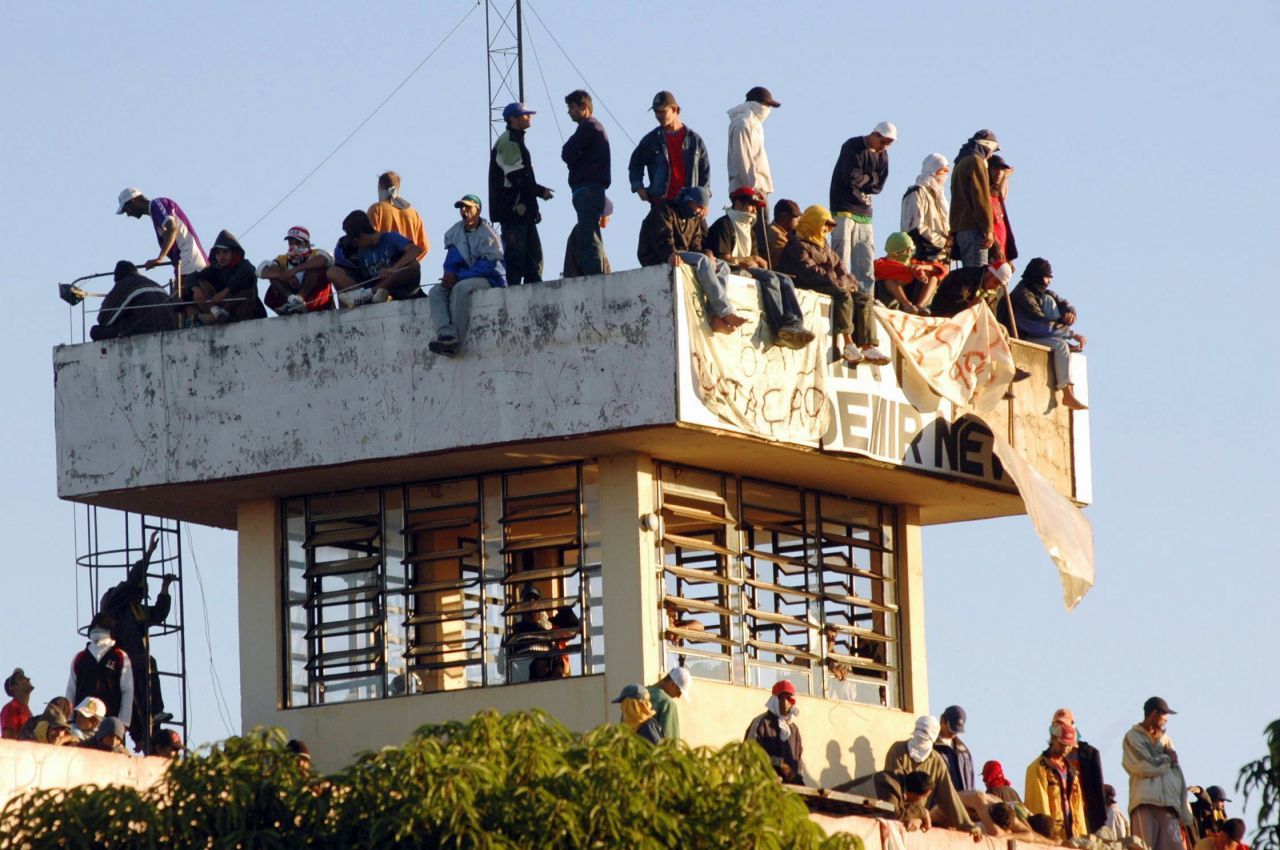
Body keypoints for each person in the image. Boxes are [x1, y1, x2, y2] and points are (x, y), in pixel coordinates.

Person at [705, 187, 814, 348]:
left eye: (755, 206)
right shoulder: (724, 224)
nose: (754, 210)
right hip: (731, 269)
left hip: (746, 269)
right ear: (738, 203)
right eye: (751, 205)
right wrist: (750, 260)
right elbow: (724, 257)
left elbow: (760, 261)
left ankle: (794, 322)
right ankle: (779, 329)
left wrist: (755, 260)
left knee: (784, 279)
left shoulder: (749, 228)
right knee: (770, 278)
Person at [782, 205, 890, 366]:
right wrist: (840, 283)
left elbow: (843, 270)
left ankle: (868, 346)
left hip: (830, 284)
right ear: (813, 222)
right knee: (843, 295)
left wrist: (846, 282)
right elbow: (810, 272)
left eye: (829, 226)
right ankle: (848, 343)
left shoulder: (823, 245)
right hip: (806, 284)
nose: (826, 229)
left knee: (863, 298)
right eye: (824, 224)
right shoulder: (796, 245)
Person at [98, 530, 177, 751]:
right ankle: (139, 734)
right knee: (130, 700)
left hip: (137, 658)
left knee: (145, 682)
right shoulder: (115, 601)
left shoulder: (135, 609)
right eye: (140, 593)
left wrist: (164, 590)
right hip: (120, 659)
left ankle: (151, 726)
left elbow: (158, 614)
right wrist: (149, 553)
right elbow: (133, 579)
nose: (141, 597)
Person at [636, 186, 748, 334]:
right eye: (699, 207)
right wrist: (669, 254)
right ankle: (725, 311)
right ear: (689, 201)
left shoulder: (693, 220)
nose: (701, 212)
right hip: (658, 255)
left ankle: (715, 316)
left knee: (722, 267)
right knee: (703, 261)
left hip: (683, 254)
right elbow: (663, 236)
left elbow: (696, 245)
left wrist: (708, 253)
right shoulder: (665, 208)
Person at [427, 194, 506, 356]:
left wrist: (459, 277)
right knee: (436, 291)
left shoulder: (488, 235)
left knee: (461, 288)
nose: (464, 211)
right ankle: (445, 333)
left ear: (478, 210)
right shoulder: (455, 234)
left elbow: (489, 266)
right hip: (462, 277)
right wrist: (449, 276)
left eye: (468, 207)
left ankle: (454, 341)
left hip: (489, 279)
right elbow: (450, 262)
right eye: (461, 208)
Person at [877, 716, 980, 836]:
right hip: (897, 815)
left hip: (920, 822)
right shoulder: (898, 750)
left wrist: (967, 826)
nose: (920, 742)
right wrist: (916, 813)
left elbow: (948, 797)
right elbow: (893, 790)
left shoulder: (936, 761)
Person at [1009, 258, 1089, 411]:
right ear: (1037, 276)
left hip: (1043, 332)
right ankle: (1067, 394)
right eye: (1046, 278)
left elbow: (1063, 302)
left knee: (1049, 300)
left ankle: (1059, 339)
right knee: (1060, 345)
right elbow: (1040, 326)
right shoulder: (1023, 295)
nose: (1048, 282)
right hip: (1025, 335)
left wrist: (1069, 313)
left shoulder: (1042, 293)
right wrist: (1071, 334)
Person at [490, 102, 554, 286]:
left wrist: (533, 207)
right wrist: (540, 191)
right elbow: (517, 178)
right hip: (513, 211)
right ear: (513, 119)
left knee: (533, 259)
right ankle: (514, 296)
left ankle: (531, 295)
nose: (529, 117)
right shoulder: (509, 142)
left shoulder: (515, 140)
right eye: (525, 115)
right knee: (517, 257)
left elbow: (521, 179)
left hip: (521, 210)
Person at [829, 121, 896, 295]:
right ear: (875, 135)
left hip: (865, 212)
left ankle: (865, 300)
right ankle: (841, 295)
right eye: (882, 142)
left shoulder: (883, 155)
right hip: (844, 208)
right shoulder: (853, 146)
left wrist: (866, 179)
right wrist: (871, 178)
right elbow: (851, 178)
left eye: (889, 144)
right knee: (841, 257)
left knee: (865, 262)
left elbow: (879, 186)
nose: (884, 147)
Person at [1124, 697, 1193, 850]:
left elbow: (1177, 774)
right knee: (1143, 847)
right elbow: (1142, 766)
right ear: (1154, 713)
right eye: (1164, 714)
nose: (1167, 719)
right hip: (1145, 803)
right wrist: (1166, 758)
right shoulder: (1133, 737)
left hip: (1169, 806)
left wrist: (1185, 811)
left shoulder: (1167, 740)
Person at [560, 90, 611, 277]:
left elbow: (567, 153)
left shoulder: (589, 127)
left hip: (587, 189)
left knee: (589, 235)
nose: (569, 112)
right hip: (586, 190)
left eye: (572, 107)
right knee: (586, 232)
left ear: (584, 107)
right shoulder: (591, 128)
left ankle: (594, 275)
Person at [628, 91, 710, 204]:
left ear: (674, 109)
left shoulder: (695, 141)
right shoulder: (651, 140)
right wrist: (639, 188)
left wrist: (703, 202)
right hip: (661, 205)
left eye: (662, 111)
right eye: (656, 112)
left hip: (689, 206)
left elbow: (705, 174)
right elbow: (635, 164)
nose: (658, 116)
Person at [727, 86, 780, 259]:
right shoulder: (744, 123)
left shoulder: (753, 123)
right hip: (749, 189)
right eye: (766, 105)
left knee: (758, 231)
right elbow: (744, 159)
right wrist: (753, 190)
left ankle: (759, 262)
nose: (767, 110)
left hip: (757, 187)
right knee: (757, 231)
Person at [116, 188, 209, 285]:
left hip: (191, 263)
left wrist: (160, 258)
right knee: (175, 298)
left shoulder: (157, 204)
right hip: (184, 264)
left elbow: (172, 229)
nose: (128, 214)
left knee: (180, 298)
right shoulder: (154, 213)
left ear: (133, 201)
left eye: (126, 209)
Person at [337, 210, 422, 307]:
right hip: (383, 291)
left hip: (403, 286)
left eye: (355, 241)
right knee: (334, 272)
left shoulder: (391, 238)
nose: (355, 244)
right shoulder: (362, 252)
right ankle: (369, 295)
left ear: (362, 236)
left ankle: (366, 294)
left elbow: (415, 250)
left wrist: (393, 268)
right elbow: (366, 276)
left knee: (414, 264)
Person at [1025, 714, 1088, 840]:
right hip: (1053, 837)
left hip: (1072, 837)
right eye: (1062, 744)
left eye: (1069, 745)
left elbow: (1078, 809)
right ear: (1053, 738)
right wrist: (1047, 835)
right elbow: (1039, 805)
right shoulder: (1038, 767)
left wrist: (1082, 838)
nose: (1066, 748)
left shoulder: (1072, 772)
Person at [187, 230, 268, 325]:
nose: (221, 257)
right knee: (200, 281)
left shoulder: (244, 265)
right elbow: (192, 276)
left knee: (247, 288)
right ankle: (216, 313)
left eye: (225, 252)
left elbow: (249, 273)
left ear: (233, 252)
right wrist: (196, 289)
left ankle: (221, 314)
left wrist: (224, 292)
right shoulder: (215, 269)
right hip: (220, 311)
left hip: (247, 313)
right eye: (218, 253)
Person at [67, 613, 133, 729]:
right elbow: (71, 690)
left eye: (101, 627)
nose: (97, 630)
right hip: (81, 722)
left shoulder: (120, 656)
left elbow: (127, 690)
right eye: (94, 627)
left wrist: (123, 722)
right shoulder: (80, 657)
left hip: (110, 724)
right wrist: (70, 719)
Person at [950, 130, 1001, 267]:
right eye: (992, 151)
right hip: (973, 229)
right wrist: (988, 229)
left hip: (960, 229)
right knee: (975, 277)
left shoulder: (960, 163)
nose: (990, 156)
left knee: (968, 275)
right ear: (987, 146)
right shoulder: (975, 161)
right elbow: (980, 198)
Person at [90, 261, 178, 340]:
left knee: (96, 331)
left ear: (118, 277)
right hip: (170, 329)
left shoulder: (125, 284)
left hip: (144, 330)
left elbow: (105, 319)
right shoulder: (156, 284)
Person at [257, 226, 335, 315]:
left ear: (307, 243)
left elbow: (324, 259)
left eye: (298, 243)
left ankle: (299, 300)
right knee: (273, 275)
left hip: (316, 300)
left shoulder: (316, 253)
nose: (294, 246)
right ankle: (293, 301)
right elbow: (261, 270)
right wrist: (284, 275)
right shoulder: (282, 259)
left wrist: (294, 270)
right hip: (289, 298)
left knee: (315, 269)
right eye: (291, 243)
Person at [744, 680, 804, 785]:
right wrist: (778, 763)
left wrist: (798, 782)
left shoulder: (794, 729)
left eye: (790, 698)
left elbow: (798, 762)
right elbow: (750, 754)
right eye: (784, 698)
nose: (788, 702)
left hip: (790, 790)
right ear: (775, 700)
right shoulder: (761, 723)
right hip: (764, 787)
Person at [873, 231, 945, 315]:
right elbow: (884, 269)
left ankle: (920, 306)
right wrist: (912, 271)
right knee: (889, 279)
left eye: (911, 250)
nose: (908, 254)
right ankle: (907, 305)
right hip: (891, 301)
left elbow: (941, 269)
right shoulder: (880, 263)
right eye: (904, 251)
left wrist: (922, 268)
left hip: (913, 300)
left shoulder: (912, 262)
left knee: (933, 277)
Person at [930, 250, 1013, 320]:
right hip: (945, 314)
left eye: (1000, 285)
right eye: (996, 282)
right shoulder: (966, 276)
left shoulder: (996, 291)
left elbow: (991, 315)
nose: (996, 287)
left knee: (1001, 330)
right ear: (989, 274)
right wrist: (971, 305)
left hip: (971, 319)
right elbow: (954, 304)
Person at [900, 153, 951, 264]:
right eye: (942, 171)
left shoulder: (939, 197)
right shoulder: (917, 192)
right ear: (932, 170)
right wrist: (943, 242)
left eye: (947, 171)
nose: (945, 175)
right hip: (920, 258)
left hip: (940, 259)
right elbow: (914, 228)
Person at [368, 171, 429, 260]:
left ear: (381, 187)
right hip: (408, 270)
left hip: (384, 269)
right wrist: (409, 261)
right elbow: (424, 247)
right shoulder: (414, 214)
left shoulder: (376, 209)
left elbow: (369, 240)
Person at [563, 197, 613, 278]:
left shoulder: (586, 229)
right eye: (609, 214)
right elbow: (591, 261)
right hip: (584, 286)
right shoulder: (586, 229)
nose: (609, 219)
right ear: (602, 214)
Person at [935, 705, 975, 792]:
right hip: (940, 803)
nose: (954, 733)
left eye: (957, 730)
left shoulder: (964, 751)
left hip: (963, 802)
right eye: (952, 729)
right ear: (942, 721)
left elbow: (971, 781)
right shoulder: (932, 747)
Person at [987, 155, 1018, 264]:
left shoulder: (996, 195)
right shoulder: (985, 195)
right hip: (991, 249)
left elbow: (1002, 195)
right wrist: (996, 247)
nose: (999, 173)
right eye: (995, 168)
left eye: (1002, 169)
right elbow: (987, 223)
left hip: (1002, 252)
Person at [646, 667, 692, 742]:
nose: (678, 696)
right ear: (673, 684)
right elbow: (671, 743)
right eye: (679, 692)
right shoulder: (667, 703)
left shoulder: (636, 696)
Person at [1, 668, 33, 739]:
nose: (28, 679)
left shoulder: (28, 713)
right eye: (21, 678)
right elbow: (11, 741)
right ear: (14, 687)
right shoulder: (10, 708)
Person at [768, 199, 801, 264]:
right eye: (796, 217)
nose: (798, 221)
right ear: (784, 216)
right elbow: (790, 260)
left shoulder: (781, 232)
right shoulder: (777, 235)